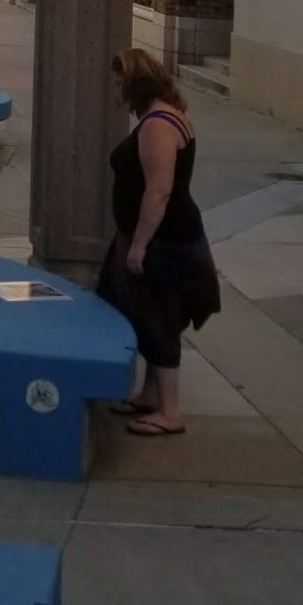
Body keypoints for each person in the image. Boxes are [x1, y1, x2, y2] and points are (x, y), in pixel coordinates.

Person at [95, 48, 221, 438]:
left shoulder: (158, 126)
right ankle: (150, 394)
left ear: (135, 84)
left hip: (164, 241)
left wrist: (139, 246)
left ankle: (170, 412)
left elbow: (159, 192)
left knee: (158, 315)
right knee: (146, 315)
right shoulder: (168, 114)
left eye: (120, 82)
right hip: (167, 235)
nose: (117, 89)